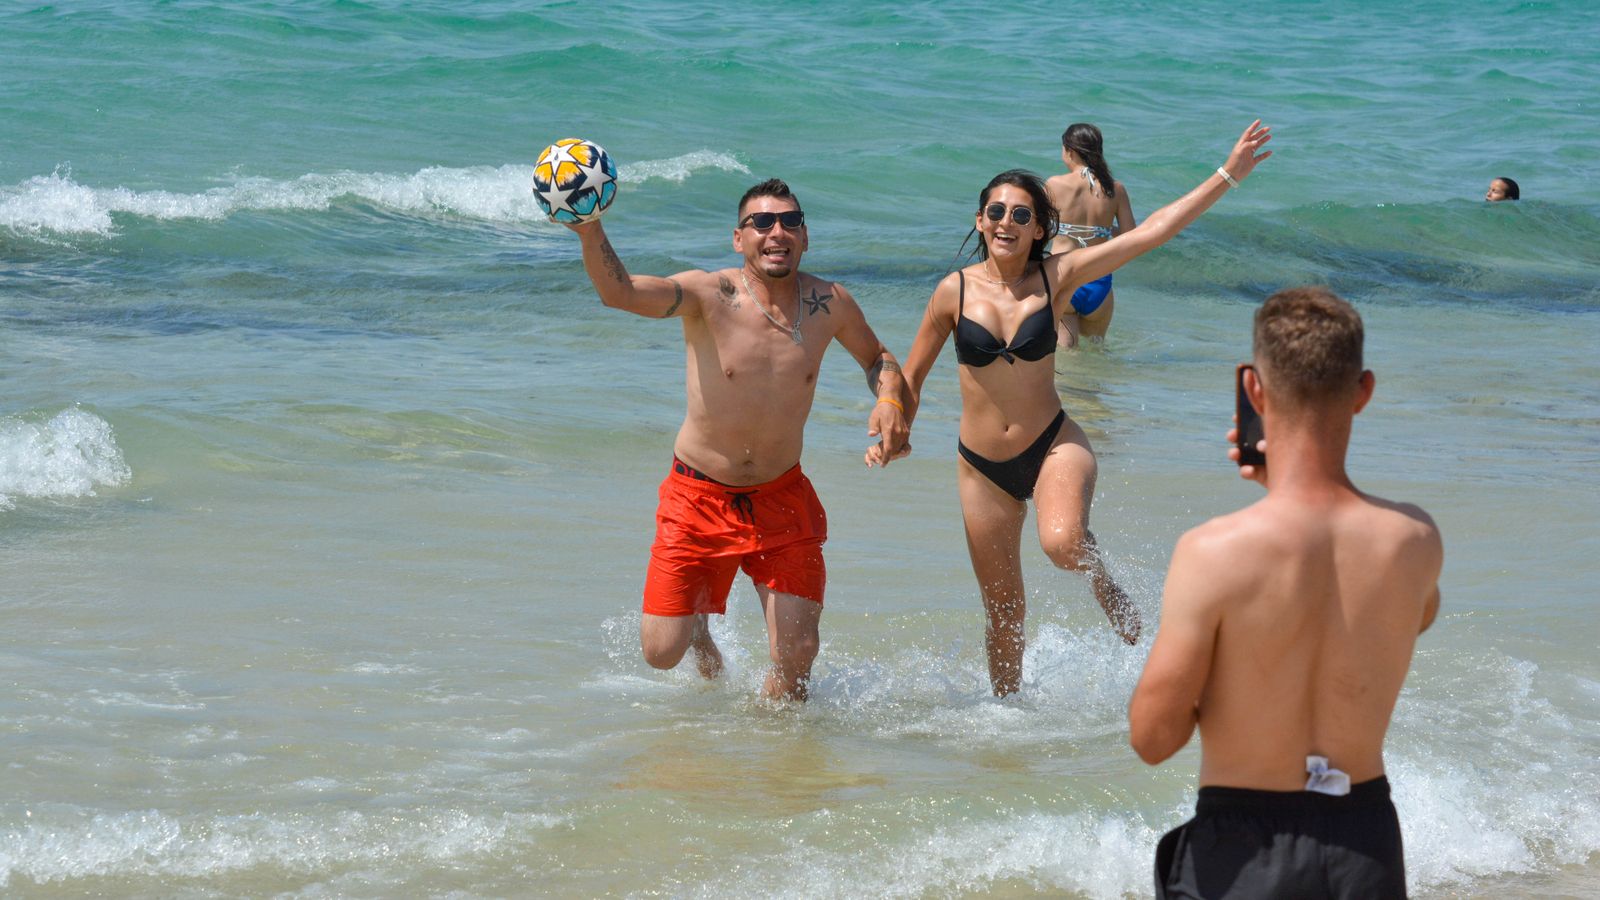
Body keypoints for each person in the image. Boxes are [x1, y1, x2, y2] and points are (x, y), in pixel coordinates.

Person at [874, 121, 1273, 697]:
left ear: (1040, 228)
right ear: (979, 220)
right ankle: (1007, 716)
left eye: (1020, 214)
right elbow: (910, 378)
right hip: (980, 468)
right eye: (995, 212)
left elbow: (1152, 233)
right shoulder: (951, 292)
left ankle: (1102, 580)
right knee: (1003, 611)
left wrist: (1227, 175)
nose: (1006, 222)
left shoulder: (1057, 276)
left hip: (1053, 445)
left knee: (1062, 543)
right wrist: (893, 421)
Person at [1128, 287, 1444, 898]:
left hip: (1244, 851)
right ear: (1363, 391)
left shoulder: (1213, 552)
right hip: (1365, 844)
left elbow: (1153, 739)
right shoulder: (1414, 540)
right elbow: (1415, 616)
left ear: (1254, 389)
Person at [562, 178, 909, 702]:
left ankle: (765, 748)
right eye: (761, 222)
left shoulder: (829, 302)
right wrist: (590, 231)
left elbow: (877, 358)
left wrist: (890, 402)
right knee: (661, 653)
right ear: (738, 238)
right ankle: (698, 629)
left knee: (797, 659)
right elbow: (621, 293)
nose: (777, 232)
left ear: (805, 236)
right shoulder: (709, 294)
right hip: (697, 496)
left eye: (790, 222)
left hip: (780, 497)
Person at [1046, 123, 1138, 347]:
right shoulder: (1115, 189)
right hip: (1099, 282)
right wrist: (1103, 229)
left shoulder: (1054, 184)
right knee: (1097, 351)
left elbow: (1039, 231)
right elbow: (1131, 235)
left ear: (1069, 151)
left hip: (1064, 276)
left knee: (1067, 354)